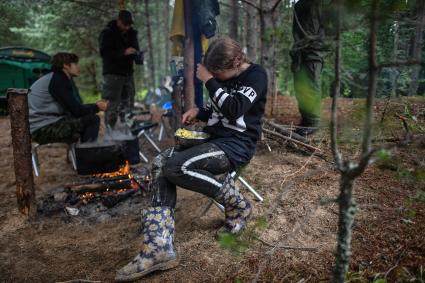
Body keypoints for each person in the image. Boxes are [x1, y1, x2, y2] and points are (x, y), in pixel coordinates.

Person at [115, 37, 268, 281]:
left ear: (237, 61)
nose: (216, 77)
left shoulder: (256, 76)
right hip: (213, 138)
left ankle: (238, 205)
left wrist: (208, 80)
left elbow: (234, 108)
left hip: (236, 145)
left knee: (176, 167)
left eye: (219, 73)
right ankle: (158, 247)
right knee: (160, 164)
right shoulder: (222, 78)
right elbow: (218, 109)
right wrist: (200, 111)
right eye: (213, 74)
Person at [28, 52, 109, 145]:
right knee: (92, 120)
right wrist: (97, 107)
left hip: (41, 126)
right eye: (75, 64)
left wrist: (95, 106)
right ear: (66, 65)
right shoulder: (58, 80)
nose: (78, 67)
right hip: (42, 130)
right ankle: (87, 156)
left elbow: (73, 108)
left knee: (82, 120)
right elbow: (76, 111)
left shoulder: (54, 77)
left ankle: (80, 155)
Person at [290, 0, 329, 136]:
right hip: (299, 52)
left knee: (312, 86)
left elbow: (327, 27)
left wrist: (317, 45)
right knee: (300, 86)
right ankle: (306, 120)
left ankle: (313, 123)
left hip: (314, 52)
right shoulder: (299, 5)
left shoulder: (320, 4)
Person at [99, 9, 142, 129]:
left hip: (128, 73)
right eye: (125, 24)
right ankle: (110, 133)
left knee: (128, 103)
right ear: (118, 21)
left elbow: (135, 50)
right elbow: (104, 53)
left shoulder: (132, 33)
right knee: (112, 104)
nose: (127, 27)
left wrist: (138, 55)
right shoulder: (108, 33)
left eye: (129, 24)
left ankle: (128, 132)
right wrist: (123, 52)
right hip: (112, 74)